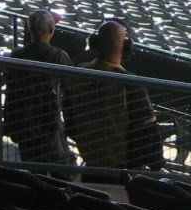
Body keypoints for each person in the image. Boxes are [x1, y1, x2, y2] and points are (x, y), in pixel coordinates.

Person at [68, 20, 162, 171]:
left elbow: (70, 123)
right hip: (124, 171)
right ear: (126, 47)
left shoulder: (77, 73)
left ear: (95, 42)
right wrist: (157, 164)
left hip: (90, 163)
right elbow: (148, 135)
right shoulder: (131, 83)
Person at [4, 11, 75, 168]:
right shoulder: (59, 56)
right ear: (51, 30)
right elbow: (70, 89)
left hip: (23, 122)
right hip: (48, 123)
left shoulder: (17, 55)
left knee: (32, 167)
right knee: (61, 167)